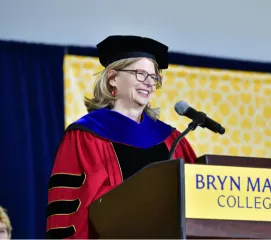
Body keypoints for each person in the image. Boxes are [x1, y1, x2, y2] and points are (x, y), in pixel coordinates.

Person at [46, 35, 197, 239]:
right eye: (140, 74)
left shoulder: (172, 140)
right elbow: (69, 212)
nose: (149, 83)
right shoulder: (86, 135)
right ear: (113, 77)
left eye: (154, 77)